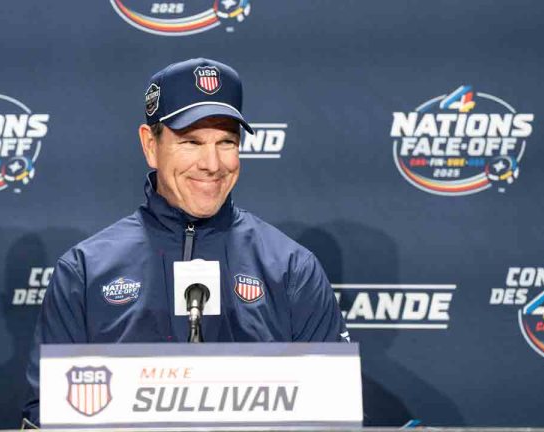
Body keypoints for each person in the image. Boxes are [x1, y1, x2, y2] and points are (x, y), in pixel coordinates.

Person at [21, 58, 348, 426]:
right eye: (190, 141)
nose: (212, 163)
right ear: (150, 144)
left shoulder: (292, 268)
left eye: (226, 142)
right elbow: (47, 415)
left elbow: (330, 414)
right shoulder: (84, 271)